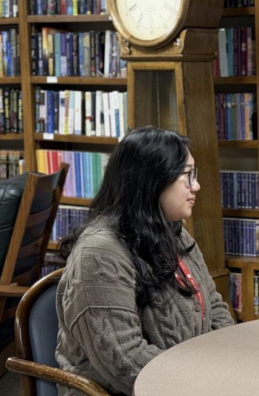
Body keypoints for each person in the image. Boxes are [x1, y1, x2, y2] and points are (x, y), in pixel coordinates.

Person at [56, 126, 234, 396]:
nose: (196, 185)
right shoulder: (98, 254)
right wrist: (205, 382)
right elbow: (124, 360)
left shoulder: (172, 231)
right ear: (153, 181)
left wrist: (231, 362)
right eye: (187, 175)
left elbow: (215, 307)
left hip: (188, 380)